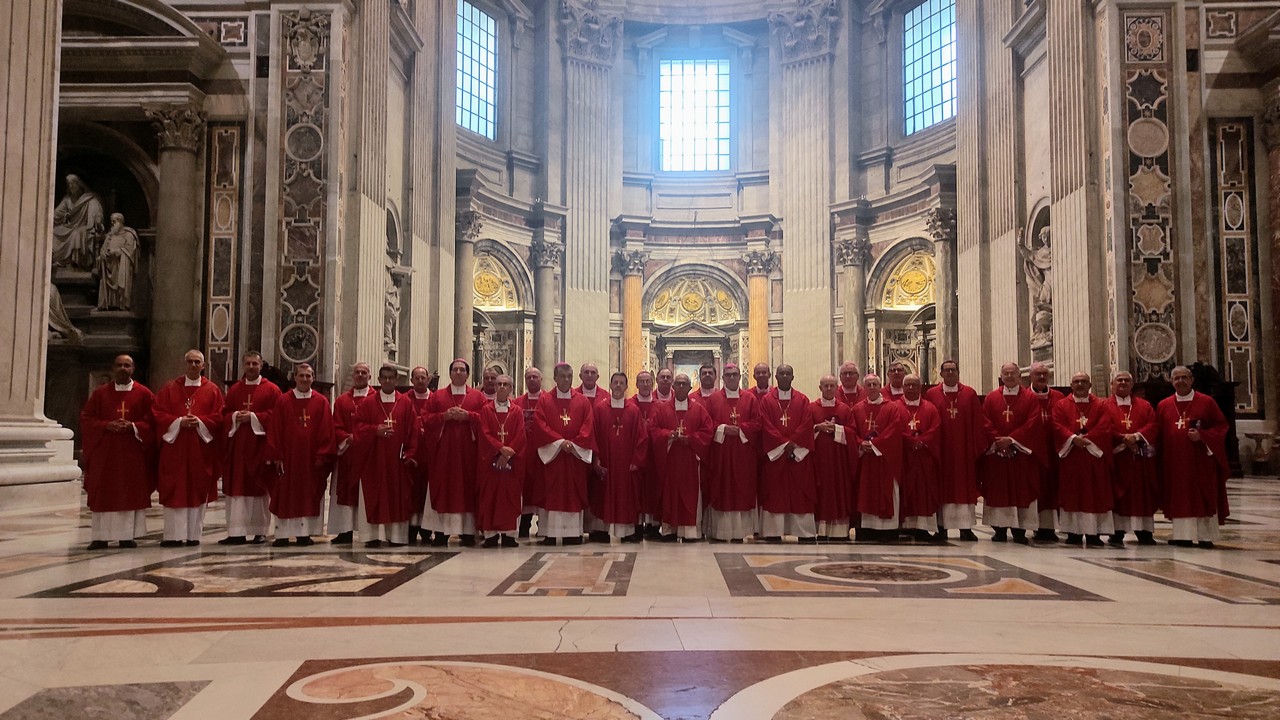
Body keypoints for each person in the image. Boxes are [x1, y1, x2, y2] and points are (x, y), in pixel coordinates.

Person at [79, 354, 155, 549]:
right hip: (106, 453)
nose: (123, 368)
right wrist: (106, 425)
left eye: (127, 365)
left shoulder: (144, 394)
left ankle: (126, 536)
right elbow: (87, 418)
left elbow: (153, 422)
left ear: (133, 369)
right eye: (119, 365)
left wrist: (134, 426)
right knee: (104, 492)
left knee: (128, 492)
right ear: (113, 368)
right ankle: (100, 537)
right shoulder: (100, 394)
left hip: (132, 453)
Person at [152, 349, 224, 546]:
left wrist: (199, 422)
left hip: (200, 450)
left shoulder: (212, 390)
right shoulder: (169, 389)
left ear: (203, 365)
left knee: (196, 489)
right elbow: (157, 413)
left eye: (197, 362)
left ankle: (193, 536)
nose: (193, 365)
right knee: (174, 489)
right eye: (190, 361)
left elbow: (219, 416)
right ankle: (172, 536)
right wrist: (179, 422)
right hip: (175, 448)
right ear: (184, 364)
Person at [1156, 365, 1229, 548]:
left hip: (1200, 461)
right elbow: (1158, 435)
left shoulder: (1207, 402)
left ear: (1192, 380)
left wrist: (1202, 436)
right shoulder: (1164, 405)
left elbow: (1221, 427)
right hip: (1174, 463)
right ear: (1171, 381)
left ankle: (1205, 537)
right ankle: (1183, 536)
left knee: (1202, 495)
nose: (1180, 381)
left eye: (1184, 377)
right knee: (1180, 497)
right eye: (1176, 378)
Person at [266, 363, 335, 546]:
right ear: (294, 377)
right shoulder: (283, 401)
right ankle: (282, 534)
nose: (305, 379)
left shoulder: (321, 402)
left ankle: (304, 534)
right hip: (288, 458)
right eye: (301, 375)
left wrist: (322, 456)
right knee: (285, 495)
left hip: (310, 460)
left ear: (313, 378)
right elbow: (275, 429)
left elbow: (327, 431)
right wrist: (276, 454)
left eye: (308, 376)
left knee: (307, 494)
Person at [352, 365, 420, 547]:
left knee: (396, 498)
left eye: (391, 378)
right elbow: (357, 427)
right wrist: (375, 430)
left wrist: (410, 453)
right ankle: (371, 536)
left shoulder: (405, 403)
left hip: (397, 462)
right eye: (385, 378)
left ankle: (396, 536)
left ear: (397, 380)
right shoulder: (368, 403)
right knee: (374, 495)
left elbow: (413, 430)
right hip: (374, 461)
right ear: (379, 380)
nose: (388, 381)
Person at [530, 362, 597, 545]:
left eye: (569, 376)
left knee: (573, 494)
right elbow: (540, 425)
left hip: (574, 457)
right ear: (555, 378)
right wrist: (560, 443)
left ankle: (573, 533)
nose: (566, 380)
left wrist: (574, 444)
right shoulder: (545, 400)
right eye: (562, 376)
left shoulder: (582, 401)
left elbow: (588, 426)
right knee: (552, 493)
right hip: (553, 458)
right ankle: (550, 533)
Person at [422, 359, 487, 546]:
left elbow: (487, 419)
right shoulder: (437, 396)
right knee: (444, 489)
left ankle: (468, 531)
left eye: (462, 370)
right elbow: (425, 418)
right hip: (444, 455)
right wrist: (443, 416)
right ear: (450, 373)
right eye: (455, 370)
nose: (458, 373)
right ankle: (441, 532)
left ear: (467, 374)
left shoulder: (477, 397)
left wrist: (469, 416)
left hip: (468, 455)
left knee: (467, 489)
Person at [219, 351, 281, 545]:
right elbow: (224, 414)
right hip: (237, 448)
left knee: (259, 488)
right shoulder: (235, 390)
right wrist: (235, 416)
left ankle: (259, 531)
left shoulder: (272, 390)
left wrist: (253, 417)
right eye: (248, 363)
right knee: (236, 488)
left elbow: (277, 417)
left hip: (259, 447)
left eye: (255, 364)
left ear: (261, 365)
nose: (251, 367)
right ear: (243, 365)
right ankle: (236, 532)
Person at [979, 362, 1044, 543]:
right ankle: (999, 529)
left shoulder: (1030, 398)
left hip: (1020, 455)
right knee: (998, 492)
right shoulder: (991, 398)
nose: (1009, 376)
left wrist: (1012, 440)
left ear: (1019, 376)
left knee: (1021, 491)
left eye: (1012, 373)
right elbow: (984, 421)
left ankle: (1020, 531)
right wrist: (998, 441)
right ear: (1001, 376)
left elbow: (1033, 422)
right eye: (1006, 373)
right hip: (998, 454)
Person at [923, 360, 986, 542]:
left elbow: (977, 422)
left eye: (953, 370)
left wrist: (976, 447)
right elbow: (927, 419)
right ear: (941, 373)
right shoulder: (932, 394)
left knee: (964, 488)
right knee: (941, 487)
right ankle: (941, 527)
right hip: (941, 450)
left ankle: (965, 528)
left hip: (963, 451)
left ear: (958, 372)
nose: (950, 373)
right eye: (947, 370)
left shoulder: (969, 394)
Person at [1052, 372, 1114, 547]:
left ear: (1090, 385)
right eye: (1076, 382)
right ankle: (1073, 533)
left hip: (1093, 457)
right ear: (1071, 385)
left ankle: (1094, 533)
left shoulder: (1101, 404)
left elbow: (1105, 425)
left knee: (1095, 494)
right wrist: (1073, 438)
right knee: (1072, 494)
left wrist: (1087, 440)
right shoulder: (1061, 405)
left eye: (1084, 381)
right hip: (1071, 456)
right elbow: (1057, 425)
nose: (1080, 384)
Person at [649, 373, 714, 542]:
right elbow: (653, 429)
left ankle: (689, 532)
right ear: (673, 387)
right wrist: (668, 435)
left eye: (684, 384)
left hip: (690, 460)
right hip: (670, 460)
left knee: (690, 495)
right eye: (678, 384)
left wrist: (691, 439)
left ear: (690, 388)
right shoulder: (663, 409)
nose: (681, 387)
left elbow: (708, 431)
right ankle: (669, 530)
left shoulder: (698, 409)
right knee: (670, 494)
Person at [757, 364, 817, 542]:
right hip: (776, 457)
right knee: (775, 494)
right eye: (781, 373)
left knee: (800, 494)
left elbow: (807, 423)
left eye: (787, 373)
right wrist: (784, 444)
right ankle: (773, 532)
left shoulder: (802, 400)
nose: (784, 376)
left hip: (797, 456)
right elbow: (765, 424)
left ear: (793, 377)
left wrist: (793, 443)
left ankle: (803, 532)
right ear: (775, 377)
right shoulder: (767, 400)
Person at [590, 372, 648, 542]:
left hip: (626, 465)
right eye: (615, 382)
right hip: (606, 461)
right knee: (603, 494)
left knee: (626, 497)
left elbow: (642, 438)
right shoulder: (600, 409)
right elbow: (593, 435)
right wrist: (596, 459)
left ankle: (626, 532)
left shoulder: (634, 411)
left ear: (626, 387)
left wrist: (637, 461)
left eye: (621, 383)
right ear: (610, 385)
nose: (618, 385)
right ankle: (601, 531)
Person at [704, 363, 760, 542]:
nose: (731, 378)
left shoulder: (750, 399)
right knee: (722, 488)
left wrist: (741, 429)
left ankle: (741, 532)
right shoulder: (713, 399)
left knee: (742, 489)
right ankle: (720, 532)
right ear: (723, 378)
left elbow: (757, 423)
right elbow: (706, 423)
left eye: (734, 374)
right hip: (721, 454)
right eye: (728, 375)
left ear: (740, 377)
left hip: (743, 455)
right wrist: (723, 428)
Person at [1106, 371, 1159, 546]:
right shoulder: (1104, 405)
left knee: (1141, 494)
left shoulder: (1145, 406)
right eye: (1119, 380)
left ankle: (1144, 532)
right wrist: (1123, 439)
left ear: (1132, 384)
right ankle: (1117, 531)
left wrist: (1136, 437)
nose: (1122, 383)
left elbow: (1153, 425)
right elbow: (1102, 426)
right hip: (1118, 459)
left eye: (1126, 380)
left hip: (1139, 459)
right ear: (1112, 384)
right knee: (1118, 496)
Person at [852, 374, 907, 541]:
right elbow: (852, 431)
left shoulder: (892, 408)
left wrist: (875, 444)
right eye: (868, 384)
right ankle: (866, 529)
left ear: (880, 385)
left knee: (886, 491)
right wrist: (860, 443)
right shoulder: (857, 409)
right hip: (866, 461)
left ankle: (887, 530)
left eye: (875, 384)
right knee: (865, 493)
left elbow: (894, 430)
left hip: (885, 460)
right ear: (864, 388)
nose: (872, 387)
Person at [475, 374, 526, 547]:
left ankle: (509, 535)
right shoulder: (486, 410)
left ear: (511, 388)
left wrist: (507, 455)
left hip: (511, 462)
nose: (502, 387)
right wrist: (500, 449)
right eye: (499, 384)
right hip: (491, 462)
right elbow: (484, 433)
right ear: (495, 388)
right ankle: (490, 535)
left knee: (510, 496)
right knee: (490, 496)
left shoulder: (517, 411)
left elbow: (520, 435)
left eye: (506, 384)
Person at [807, 375, 854, 541]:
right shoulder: (811, 408)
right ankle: (821, 530)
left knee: (838, 491)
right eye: (825, 386)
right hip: (818, 460)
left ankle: (839, 532)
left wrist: (837, 429)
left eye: (831, 386)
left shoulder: (844, 409)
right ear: (820, 388)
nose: (828, 389)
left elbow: (852, 432)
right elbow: (804, 430)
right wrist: (817, 427)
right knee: (820, 492)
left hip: (838, 461)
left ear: (836, 387)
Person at [330, 363, 373, 544]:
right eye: (357, 372)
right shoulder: (342, 401)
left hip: (369, 455)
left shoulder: (376, 399)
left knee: (368, 493)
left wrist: (362, 437)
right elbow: (335, 425)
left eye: (364, 372)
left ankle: (369, 533)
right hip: (348, 452)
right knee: (346, 491)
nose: (360, 375)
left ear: (370, 376)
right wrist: (347, 438)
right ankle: (345, 531)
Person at [899, 374, 942, 540]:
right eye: (908, 385)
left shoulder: (930, 408)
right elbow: (893, 427)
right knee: (905, 491)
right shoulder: (895, 407)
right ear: (903, 388)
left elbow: (936, 428)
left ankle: (922, 527)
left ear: (920, 387)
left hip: (924, 458)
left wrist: (921, 441)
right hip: (904, 458)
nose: (911, 388)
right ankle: (904, 526)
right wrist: (910, 441)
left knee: (924, 492)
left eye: (914, 385)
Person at [1029, 362, 1065, 542]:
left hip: (1053, 450)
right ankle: (1032, 525)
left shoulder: (1059, 397)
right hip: (1032, 452)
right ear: (1030, 376)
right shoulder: (1025, 396)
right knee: (1034, 488)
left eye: (1044, 374)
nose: (1042, 377)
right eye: (1038, 374)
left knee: (1051, 490)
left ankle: (1049, 527)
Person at [633, 370, 664, 539]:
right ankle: (636, 525)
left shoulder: (660, 406)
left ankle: (653, 525)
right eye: (642, 381)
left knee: (653, 489)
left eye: (648, 381)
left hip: (654, 453)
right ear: (636, 384)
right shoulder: (630, 404)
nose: (645, 384)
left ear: (653, 384)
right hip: (635, 453)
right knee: (636, 489)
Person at [513, 366, 544, 538]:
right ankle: (524, 526)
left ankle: (543, 525)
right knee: (525, 490)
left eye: (535, 377)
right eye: (529, 377)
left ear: (541, 379)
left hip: (542, 453)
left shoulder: (548, 400)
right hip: (523, 453)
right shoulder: (517, 403)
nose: (532, 380)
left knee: (541, 489)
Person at [52, 173, 104, 270]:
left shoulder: (89, 199)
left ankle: (73, 263)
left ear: (80, 184)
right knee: (54, 232)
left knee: (77, 234)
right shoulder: (67, 200)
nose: (71, 186)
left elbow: (97, 213)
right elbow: (56, 214)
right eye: (69, 184)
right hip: (70, 226)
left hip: (84, 227)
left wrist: (98, 221)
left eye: (73, 183)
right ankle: (60, 261)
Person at [406, 366, 434, 543]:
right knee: (412, 492)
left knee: (427, 493)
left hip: (430, 454)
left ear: (428, 379)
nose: (421, 381)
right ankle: (410, 528)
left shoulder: (435, 399)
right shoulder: (404, 400)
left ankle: (426, 529)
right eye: (417, 378)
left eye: (423, 377)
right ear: (411, 380)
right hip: (412, 453)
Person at [96, 213, 139, 310]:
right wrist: (102, 255)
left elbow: (130, 251)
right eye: (111, 222)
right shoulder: (110, 235)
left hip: (121, 266)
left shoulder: (129, 235)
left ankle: (120, 304)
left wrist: (116, 252)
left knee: (120, 283)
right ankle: (109, 304)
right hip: (109, 266)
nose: (112, 224)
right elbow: (103, 249)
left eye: (114, 221)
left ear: (120, 221)